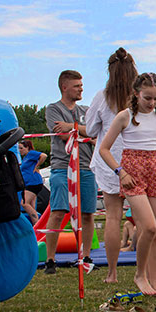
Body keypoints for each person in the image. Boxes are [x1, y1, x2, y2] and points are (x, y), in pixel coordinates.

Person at [98, 72, 156, 298]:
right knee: (150, 227)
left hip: (154, 168)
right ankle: (139, 274)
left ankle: (155, 284)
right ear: (136, 94)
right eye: (147, 98)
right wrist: (120, 171)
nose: (152, 102)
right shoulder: (124, 116)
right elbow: (104, 149)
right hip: (132, 171)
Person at [86, 47, 139, 284]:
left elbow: (89, 129)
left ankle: (112, 273)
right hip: (135, 158)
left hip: (109, 161)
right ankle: (144, 271)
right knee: (144, 218)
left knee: (112, 217)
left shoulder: (101, 96)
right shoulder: (140, 96)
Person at [43, 70, 96, 274]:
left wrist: (74, 128)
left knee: (87, 214)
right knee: (58, 212)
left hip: (85, 167)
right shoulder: (53, 109)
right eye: (76, 86)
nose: (81, 89)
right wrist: (81, 131)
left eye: (81, 85)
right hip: (61, 167)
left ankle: (86, 257)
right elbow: (65, 136)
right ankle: (50, 260)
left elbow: (95, 133)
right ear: (64, 87)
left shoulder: (86, 109)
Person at [17, 140, 47, 224]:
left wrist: (37, 165)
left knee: (24, 203)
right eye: (18, 148)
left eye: (21, 148)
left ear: (27, 147)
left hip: (33, 183)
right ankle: (35, 224)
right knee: (31, 205)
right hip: (30, 183)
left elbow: (43, 156)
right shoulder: (26, 157)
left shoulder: (31, 153)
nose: (20, 150)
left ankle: (37, 222)